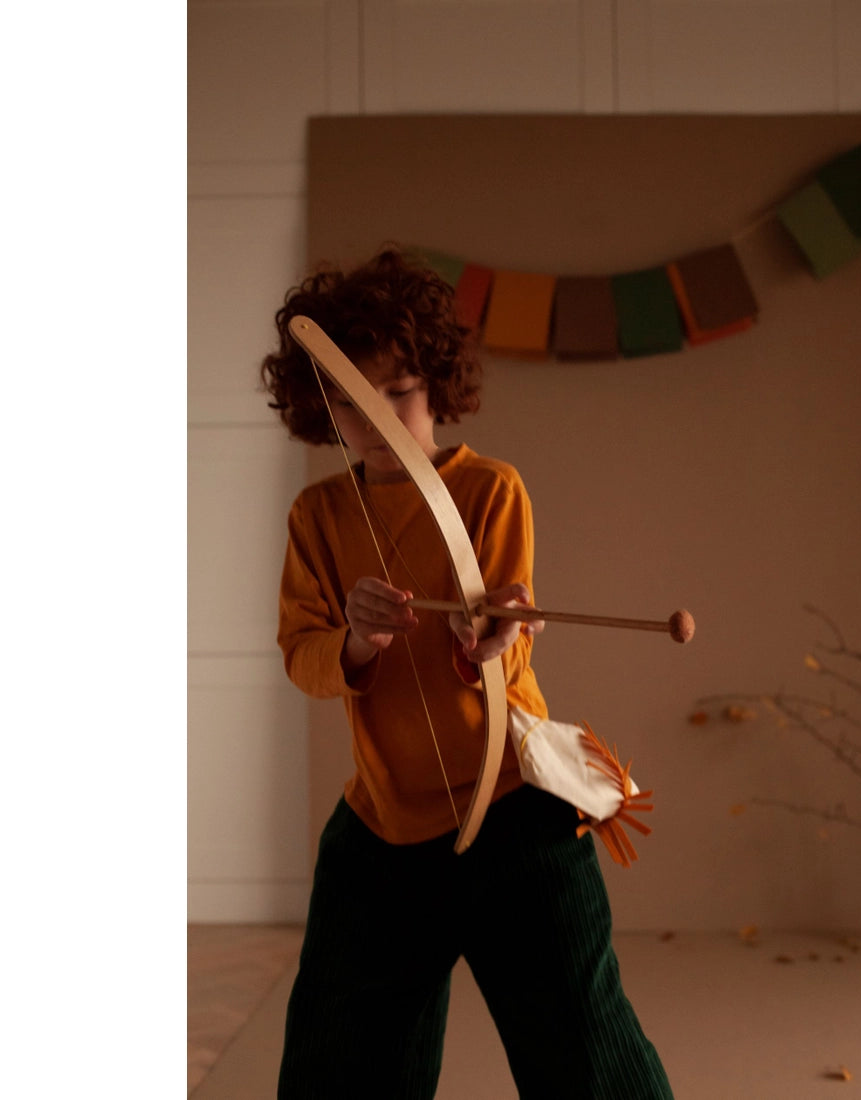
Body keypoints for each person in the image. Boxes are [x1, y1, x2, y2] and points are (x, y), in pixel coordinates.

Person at [260, 248, 674, 1099]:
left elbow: (506, 644)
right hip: (384, 826)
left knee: (586, 1053)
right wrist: (355, 641)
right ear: (320, 405)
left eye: (398, 391)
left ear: (437, 384)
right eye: (351, 399)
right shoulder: (317, 516)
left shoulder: (490, 490)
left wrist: (490, 636)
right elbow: (303, 654)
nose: (378, 417)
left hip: (514, 806)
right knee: (340, 1064)